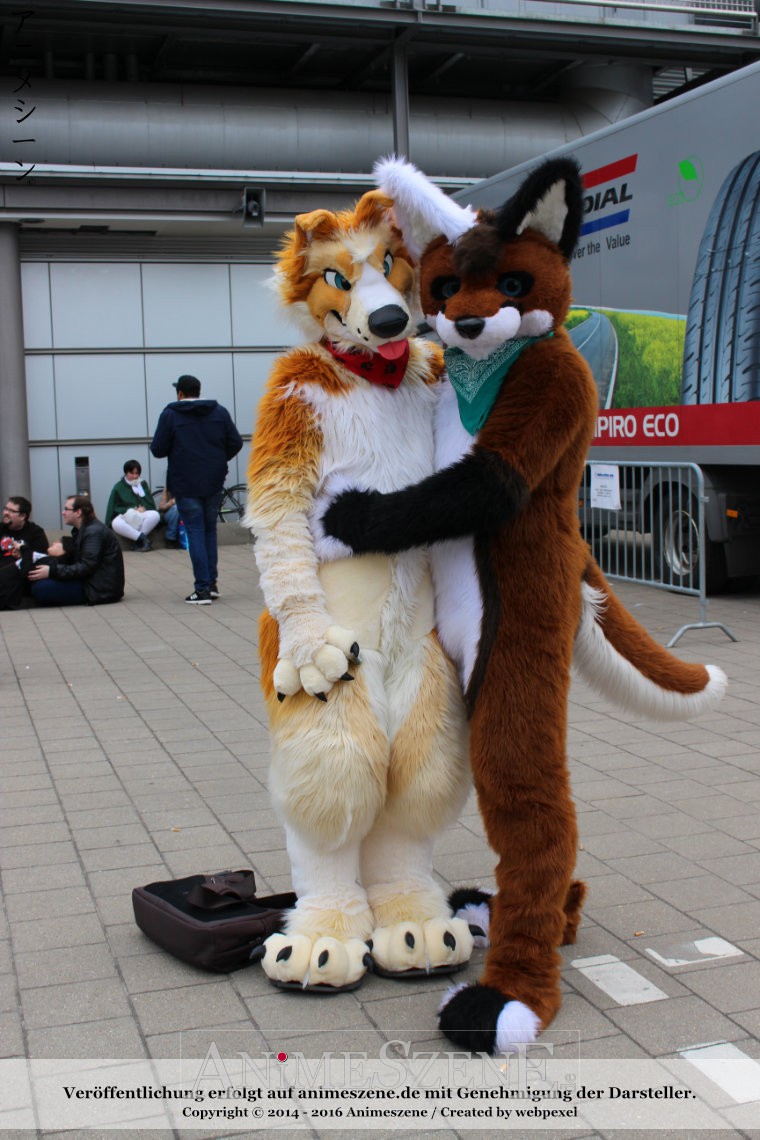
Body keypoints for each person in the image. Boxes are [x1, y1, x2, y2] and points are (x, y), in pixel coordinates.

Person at [150, 374, 242, 604]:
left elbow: (158, 449)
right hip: (213, 481)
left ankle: (201, 589)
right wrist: (218, 460)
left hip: (185, 483)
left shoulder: (171, 414)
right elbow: (236, 442)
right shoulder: (219, 412)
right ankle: (211, 584)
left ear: (180, 393)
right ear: (198, 391)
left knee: (196, 533)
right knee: (209, 530)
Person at [28, 495, 125, 606]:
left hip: (98, 590)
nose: (63, 512)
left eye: (66, 509)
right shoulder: (82, 530)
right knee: (38, 581)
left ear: (78, 512)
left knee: (40, 588)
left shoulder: (94, 532)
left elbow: (87, 566)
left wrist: (52, 571)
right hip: (90, 581)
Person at [0, 495, 49, 610]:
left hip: (19, 574)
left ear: (22, 516)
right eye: (5, 509)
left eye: (11, 511)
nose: (6, 513)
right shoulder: (1, 528)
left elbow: (40, 558)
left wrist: (22, 554)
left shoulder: (35, 532)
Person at [105, 460, 161, 551]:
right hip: (126, 516)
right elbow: (114, 507)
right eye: (132, 473)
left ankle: (138, 541)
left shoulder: (143, 484)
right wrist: (132, 509)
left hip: (141, 514)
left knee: (155, 515)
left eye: (137, 473)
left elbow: (149, 502)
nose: (135, 476)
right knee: (116, 523)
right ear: (126, 472)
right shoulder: (118, 487)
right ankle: (142, 539)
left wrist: (144, 508)